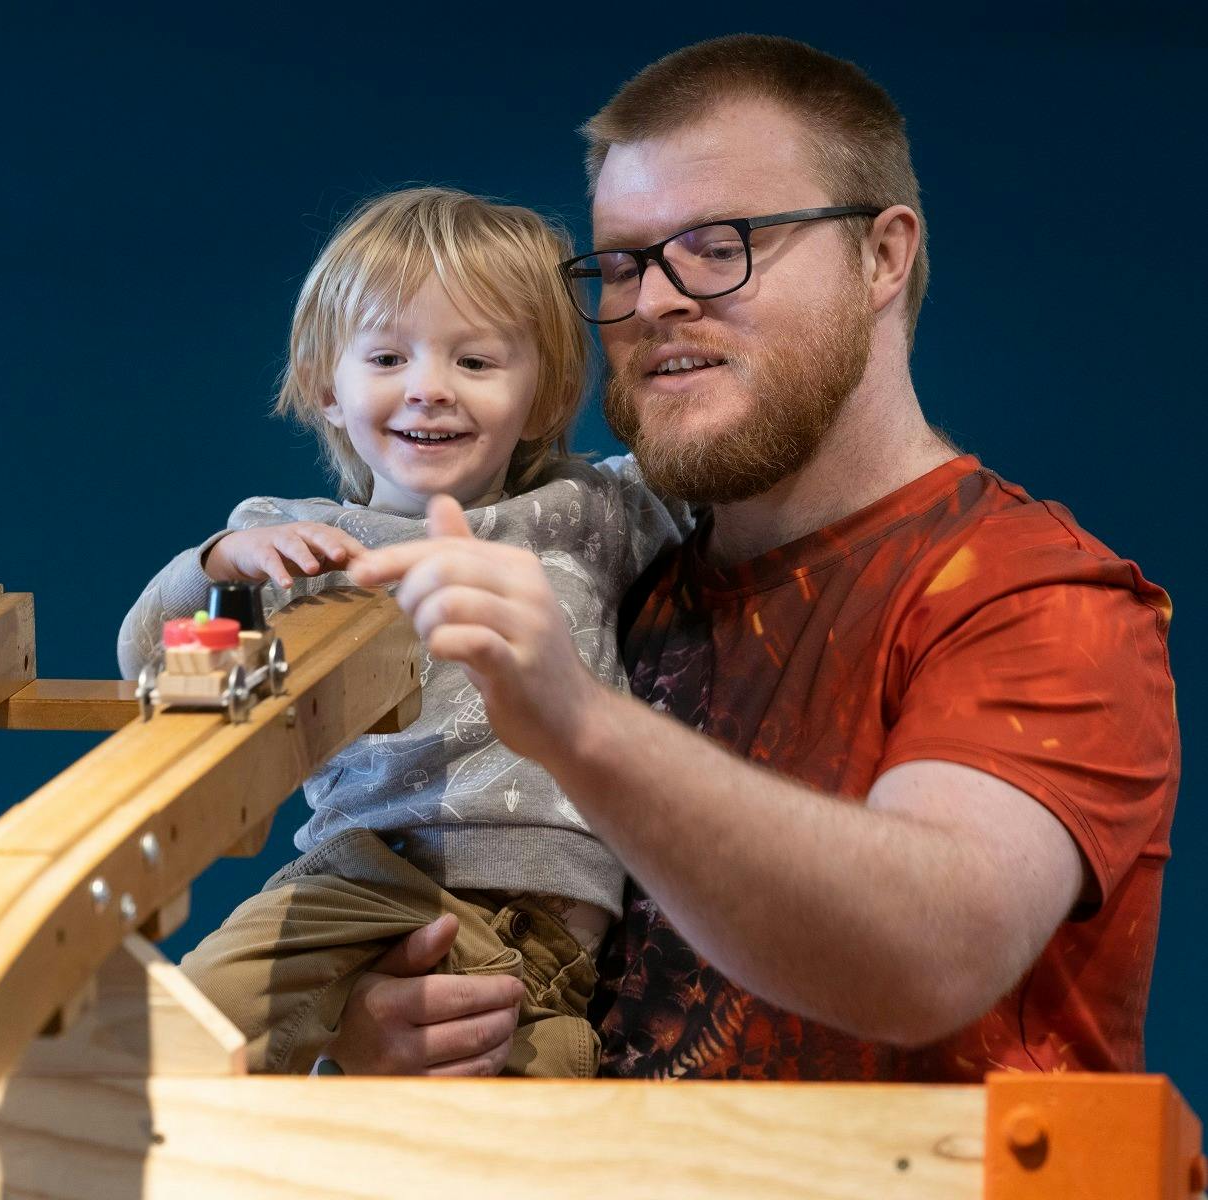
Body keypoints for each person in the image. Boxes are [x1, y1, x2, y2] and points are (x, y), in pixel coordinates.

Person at [334, 34, 1179, 1081]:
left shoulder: (1036, 601)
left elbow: (930, 955)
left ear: (882, 255)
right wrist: (394, 1029)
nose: (653, 303)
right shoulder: (614, 592)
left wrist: (582, 725)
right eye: (627, 262)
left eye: (719, 245)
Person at [117, 186, 687, 1076]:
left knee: (547, 1116)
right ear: (326, 390)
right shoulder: (295, 541)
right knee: (187, 1025)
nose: (429, 387)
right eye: (386, 356)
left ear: (542, 397)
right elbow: (154, 663)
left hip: (547, 934)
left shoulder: (592, 512)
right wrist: (221, 562)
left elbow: (745, 476)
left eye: (476, 361)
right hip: (356, 882)